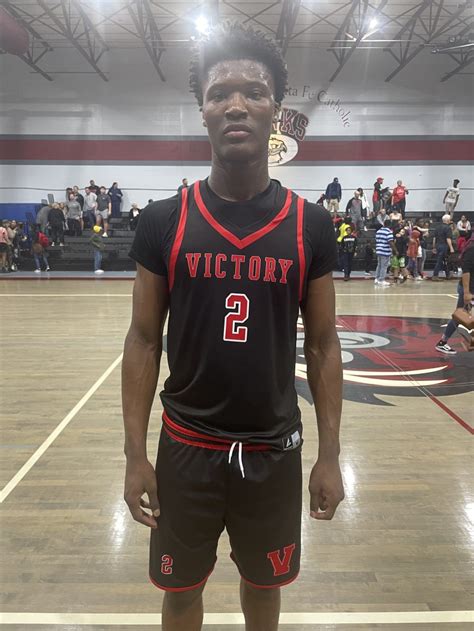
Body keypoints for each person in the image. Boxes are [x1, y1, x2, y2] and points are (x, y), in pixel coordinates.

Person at [122, 23, 344, 631]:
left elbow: (324, 346)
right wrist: (135, 454)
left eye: (255, 92)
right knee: (180, 592)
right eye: (220, 93)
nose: (237, 104)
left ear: (276, 109)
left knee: (264, 591)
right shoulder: (164, 220)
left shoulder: (310, 225)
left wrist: (330, 454)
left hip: (273, 449)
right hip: (185, 447)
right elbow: (143, 340)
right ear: (203, 111)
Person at [435, 231, 473, 354]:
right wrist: (466, 292)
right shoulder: (471, 249)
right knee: (460, 315)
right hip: (469, 289)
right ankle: (442, 342)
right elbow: (466, 272)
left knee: (460, 315)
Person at [432, 214, 455, 280]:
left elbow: (434, 238)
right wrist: (451, 247)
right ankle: (435, 275)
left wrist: (434, 247)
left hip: (438, 245)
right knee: (440, 261)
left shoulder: (437, 227)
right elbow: (448, 238)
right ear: (448, 220)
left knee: (443, 260)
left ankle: (447, 274)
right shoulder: (448, 228)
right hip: (444, 245)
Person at [375, 218, 395, 286]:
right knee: (384, 266)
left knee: (379, 265)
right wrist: (395, 250)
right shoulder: (389, 232)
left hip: (378, 250)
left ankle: (377, 279)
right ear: (390, 225)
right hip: (385, 251)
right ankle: (381, 280)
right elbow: (391, 242)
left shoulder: (378, 231)